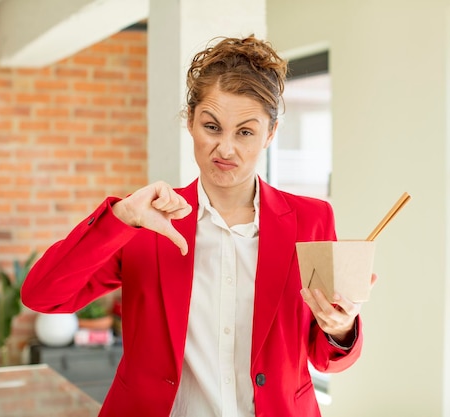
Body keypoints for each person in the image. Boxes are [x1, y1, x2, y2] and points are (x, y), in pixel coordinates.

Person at [21, 35, 374, 417]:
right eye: (212, 126)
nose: (225, 149)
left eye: (245, 132)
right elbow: (43, 295)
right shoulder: (147, 221)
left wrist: (340, 328)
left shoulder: (311, 220)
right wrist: (120, 219)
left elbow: (327, 360)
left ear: (270, 134)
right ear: (189, 122)